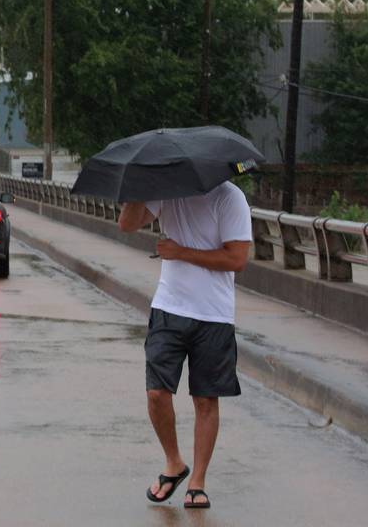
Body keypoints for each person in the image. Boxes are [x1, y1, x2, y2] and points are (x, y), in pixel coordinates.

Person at [117, 181, 252, 509]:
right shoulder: (168, 190)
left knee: (205, 400)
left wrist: (181, 253)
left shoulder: (230, 197)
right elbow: (127, 225)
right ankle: (174, 462)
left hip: (214, 315)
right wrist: (137, 183)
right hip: (169, 308)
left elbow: (237, 258)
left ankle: (198, 481)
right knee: (156, 393)